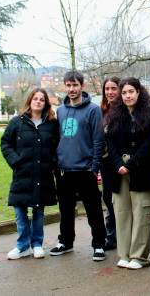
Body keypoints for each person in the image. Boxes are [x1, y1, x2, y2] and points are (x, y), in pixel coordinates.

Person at [50, 70, 107, 261]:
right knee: (65, 210)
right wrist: (57, 164)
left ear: (82, 86)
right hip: (64, 169)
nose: (71, 89)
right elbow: (59, 138)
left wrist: (95, 167)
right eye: (68, 85)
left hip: (85, 169)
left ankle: (99, 244)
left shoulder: (93, 110)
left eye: (75, 85)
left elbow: (98, 140)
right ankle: (65, 241)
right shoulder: (61, 110)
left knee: (94, 211)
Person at [106, 77, 150, 269]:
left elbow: (149, 143)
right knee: (122, 213)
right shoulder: (114, 115)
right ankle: (124, 254)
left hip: (142, 170)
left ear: (138, 92)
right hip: (118, 172)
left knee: (141, 212)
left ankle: (139, 256)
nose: (127, 95)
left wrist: (131, 164)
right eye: (124, 92)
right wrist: (119, 163)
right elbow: (110, 143)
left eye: (131, 92)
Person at [1, 88, 59, 260]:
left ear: (46, 103)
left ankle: (37, 244)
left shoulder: (51, 124)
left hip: (42, 174)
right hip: (22, 174)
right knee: (20, 211)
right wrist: (15, 161)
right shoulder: (17, 122)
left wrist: (52, 163)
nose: (38, 101)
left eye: (42, 99)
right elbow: (5, 143)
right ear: (30, 101)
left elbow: (57, 146)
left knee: (38, 211)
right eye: (35, 98)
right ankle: (22, 245)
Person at [100, 76, 120, 250]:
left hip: (122, 163)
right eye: (107, 89)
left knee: (122, 199)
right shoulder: (101, 111)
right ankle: (111, 235)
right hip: (106, 163)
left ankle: (123, 234)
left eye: (114, 88)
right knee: (108, 198)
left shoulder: (126, 110)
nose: (110, 92)